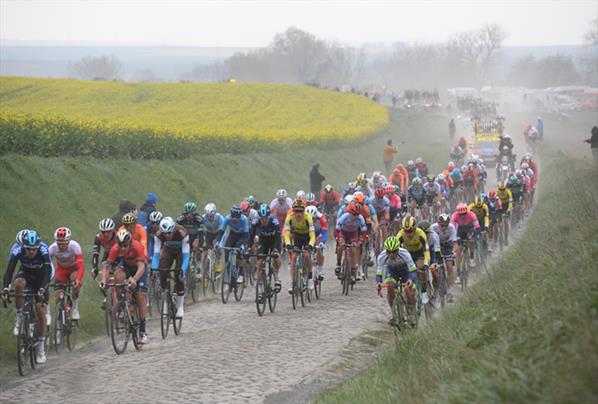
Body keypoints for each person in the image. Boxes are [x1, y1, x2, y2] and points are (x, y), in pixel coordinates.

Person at [2, 230, 52, 364]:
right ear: (23, 246)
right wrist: (6, 288)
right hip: (26, 273)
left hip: (42, 276)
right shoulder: (17, 250)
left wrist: (43, 288)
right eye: (28, 249)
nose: (31, 252)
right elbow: (9, 271)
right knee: (18, 284)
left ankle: (41, 347)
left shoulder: (44, 250)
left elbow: (48, 272)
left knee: (40, 309)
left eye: (34, 249)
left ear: (38, 246)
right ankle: (19, 317)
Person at [101, 229, 149, 344]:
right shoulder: (115, 248)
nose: (122, 248)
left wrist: (134, 279)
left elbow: (141, 267)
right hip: (126, 265)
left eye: (125, 246)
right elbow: (107, 267)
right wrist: (103, 280)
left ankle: (143, 331)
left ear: (130, 242)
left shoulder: (136, 246)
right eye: (120, 245)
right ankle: (123, 303)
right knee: (118, 277)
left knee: (140, 296)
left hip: (139, 268)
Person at [151, 217, 190, 319]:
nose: (167, 235)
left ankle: (181, 306)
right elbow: (156, 255)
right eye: (165, 233)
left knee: (178, 274)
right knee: (162, 271)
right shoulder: (159, 235)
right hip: (168, 250)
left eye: (169, 233)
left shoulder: (182, 233)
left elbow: (186, 256)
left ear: (173, 229)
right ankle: (165, 299)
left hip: (181, 251)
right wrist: (155, 269)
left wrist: (183, 270)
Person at [376, 236, 417, 325]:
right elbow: (379, 271)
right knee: (390, 287)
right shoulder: (382, 256)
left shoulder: (405, 253)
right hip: (392, 271)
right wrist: (378, 283)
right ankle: (394, 313)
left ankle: (412, 313)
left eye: (394, 252)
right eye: (389, 252)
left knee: (408, 290)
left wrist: (410, 279)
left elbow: (413, 269)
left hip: (405, 271)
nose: (391, 254)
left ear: (398, 250)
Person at [48, 227, 84, 321]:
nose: (61, 245)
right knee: (57, 296)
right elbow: (46, 265)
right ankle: (62, 314)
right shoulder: (52, 248)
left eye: (64, 242)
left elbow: (81, 266)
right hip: (61, 270)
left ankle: (75, 308)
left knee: (75, 283)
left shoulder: (74, 246)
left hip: (73, 269)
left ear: (68, 241)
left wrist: (78, 280)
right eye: (59, 242)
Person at [284, 199, 316, 293]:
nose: (298, 213)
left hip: (307, 236)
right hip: (297, 236)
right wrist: (288, 245)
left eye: (301, 211)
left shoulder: (307, 217)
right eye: (296, 211)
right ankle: (294, 283)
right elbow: (287, 233)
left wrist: (310, 245)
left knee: (306, 254)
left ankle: (310, 278)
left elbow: (312, 235)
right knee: (293, 258)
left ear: (304, 211)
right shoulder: (290, 217)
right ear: (293, 211)